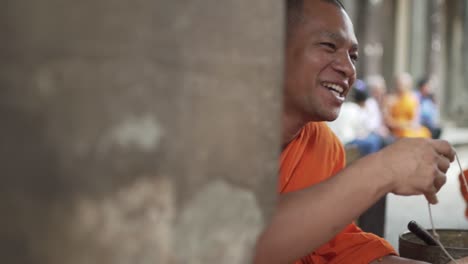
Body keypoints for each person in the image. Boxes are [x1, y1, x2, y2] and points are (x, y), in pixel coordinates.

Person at [254, 1, 456, 264]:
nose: (348, 69)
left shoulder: (323, 145)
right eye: (329, 46)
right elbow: (234, 244)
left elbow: (336, 247)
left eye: (353, 56)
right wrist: (384, 170)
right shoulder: (208, 135)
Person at [385, 73, 431, 139]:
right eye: (399, 84)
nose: (401, 87)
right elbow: (388, 121)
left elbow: (415, 119)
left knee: (425, 133)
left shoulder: (413, 99)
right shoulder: (390, 100)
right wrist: (401, 125)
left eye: (405, 85)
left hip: (411, 129)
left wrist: (412, 125)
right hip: (398, 131)